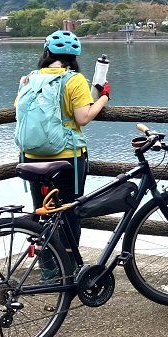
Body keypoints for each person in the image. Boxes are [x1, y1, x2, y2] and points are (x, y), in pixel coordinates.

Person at [16, 30, 110, 272]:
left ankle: (48, 269)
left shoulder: (29, 79)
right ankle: (69, 269)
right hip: (67, 157)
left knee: (43, 212)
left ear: (46, 53)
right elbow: (83, 116)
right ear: (74, 58)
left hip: (32, 157)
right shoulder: (74, 80)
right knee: (69, 213)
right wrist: (103, 98)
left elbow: (19, 108)